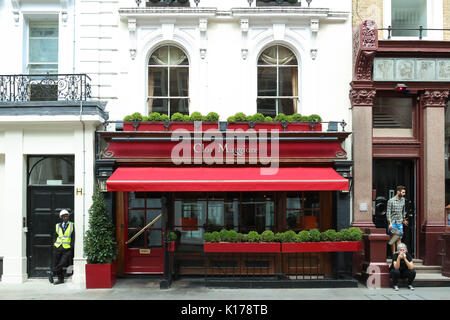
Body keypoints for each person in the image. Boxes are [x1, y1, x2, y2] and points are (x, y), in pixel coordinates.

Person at [48, 209, 74, 285]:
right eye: (64, 216)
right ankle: (60, 279)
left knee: (62, 263)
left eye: (66, 216)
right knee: (57, 263)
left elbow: (73, 237)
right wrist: (54, 244)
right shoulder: (57, 226)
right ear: (61, 218)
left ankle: (52, 273)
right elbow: (55, 236)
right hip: (58, 247)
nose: (65, 218)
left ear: (68, 217)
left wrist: (71, 246)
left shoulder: (72, 225)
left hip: (67, 248)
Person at [386, 185, 408, 255]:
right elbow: (388, 212)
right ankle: (393, 254)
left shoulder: (403, 200)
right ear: (398, 192)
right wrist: (390, 223)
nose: (404, 194)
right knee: (393, 238)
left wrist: (404, 219)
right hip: (393, 222)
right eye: (403, 192)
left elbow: (403, 210)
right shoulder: (391, 201)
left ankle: (399, 254)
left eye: (404, 192)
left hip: (400, 222)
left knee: (399, 239)